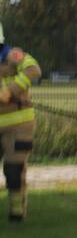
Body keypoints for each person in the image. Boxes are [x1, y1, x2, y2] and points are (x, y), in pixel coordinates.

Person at [0, 23, 41, 222]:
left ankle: (17, 213)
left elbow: (34, 70)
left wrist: (12, 91)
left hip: (18, 125)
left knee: (14, 169)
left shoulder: (13, 55)